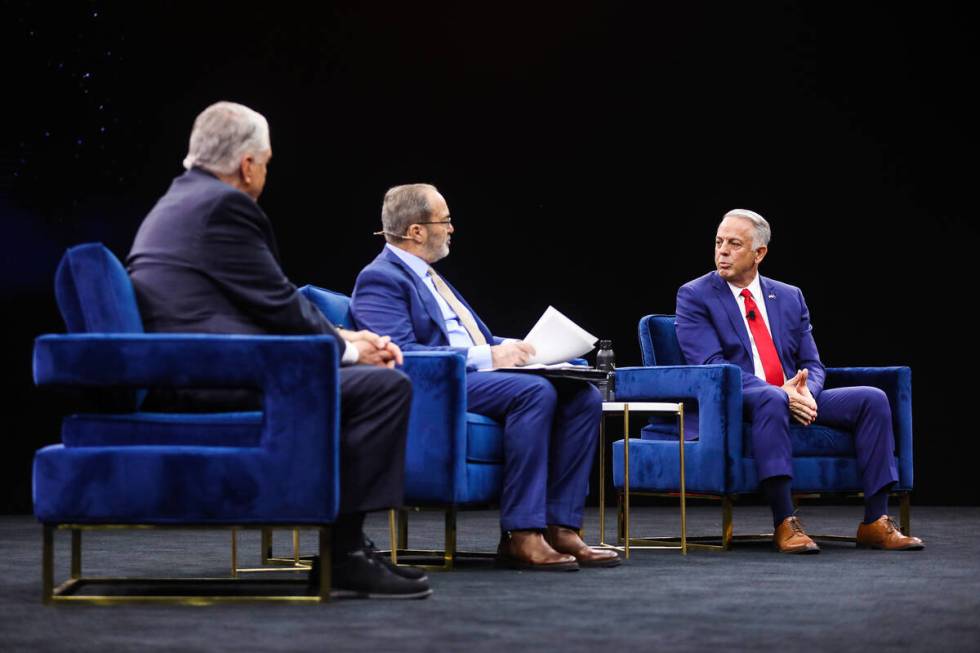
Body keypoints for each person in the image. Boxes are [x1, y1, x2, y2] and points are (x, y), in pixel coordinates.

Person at [126, 101, 431, 598]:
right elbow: (275, 304)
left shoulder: (179, 200)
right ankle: (346, 553)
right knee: (382, 387)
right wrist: (350, 353)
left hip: (195, 364)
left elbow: (261, 299)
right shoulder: (224, 207)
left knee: (368, 381)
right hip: (212, 376)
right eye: (265, 163)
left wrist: (343, 337)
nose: (264, 173)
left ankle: (347, 546)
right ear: (247, 165)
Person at [350, 183, 620, 570]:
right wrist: (489, 355)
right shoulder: (380, 278)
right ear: (416, 231)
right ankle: (521, 534)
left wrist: (531, 351)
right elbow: (401, 354)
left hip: (473, 377)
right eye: (445, 220)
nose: (451, 228)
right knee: (533, 394)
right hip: (436, 389)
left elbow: (478, 337)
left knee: (582, 396)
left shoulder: (432, 277)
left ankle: (561, 527)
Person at [674, 208, 924, 553]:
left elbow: (812, 363)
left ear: (759, 253)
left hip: (793, 395)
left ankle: (876, 521)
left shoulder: (789, 296)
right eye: (718, 243)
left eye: (734, 244)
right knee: (771, 400)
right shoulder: (695, 295)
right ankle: (784, 521)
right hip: (736, 401)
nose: (722, 251)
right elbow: (711, 367)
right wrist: (780, 394)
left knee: (872, 398)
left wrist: (806, 394)